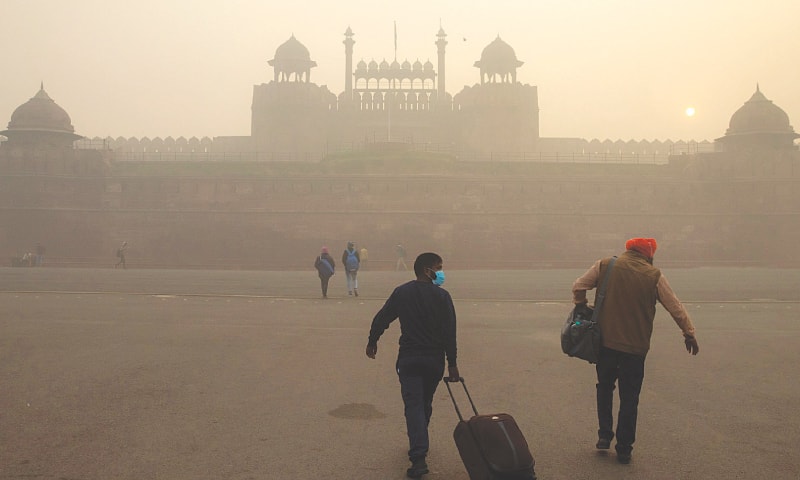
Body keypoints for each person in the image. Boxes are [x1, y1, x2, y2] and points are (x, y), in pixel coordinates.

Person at [572, 237, 699, 465]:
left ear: (628, 250)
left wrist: (581, 305)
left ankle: (604, 435)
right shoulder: (654, 275)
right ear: (648, 255)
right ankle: (624, 448)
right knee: (629, 397)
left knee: (605, 387)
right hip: (635, 348)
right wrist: (689, 332)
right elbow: (675, 307)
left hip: (606, 343)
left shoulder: (605, 265)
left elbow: (579, 286)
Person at [366, 252, 459, 479]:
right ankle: (420, 443)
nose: (441, 272)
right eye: (439, 267)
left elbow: (382, 318)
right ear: (427, 270)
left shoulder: (402, 293)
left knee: (414, 406)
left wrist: (372, 341)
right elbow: (450, 334)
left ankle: (418, 456)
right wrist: (453, 363)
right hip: (433, 361)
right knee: (424, 404)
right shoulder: (443, 297)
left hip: (409, 359)